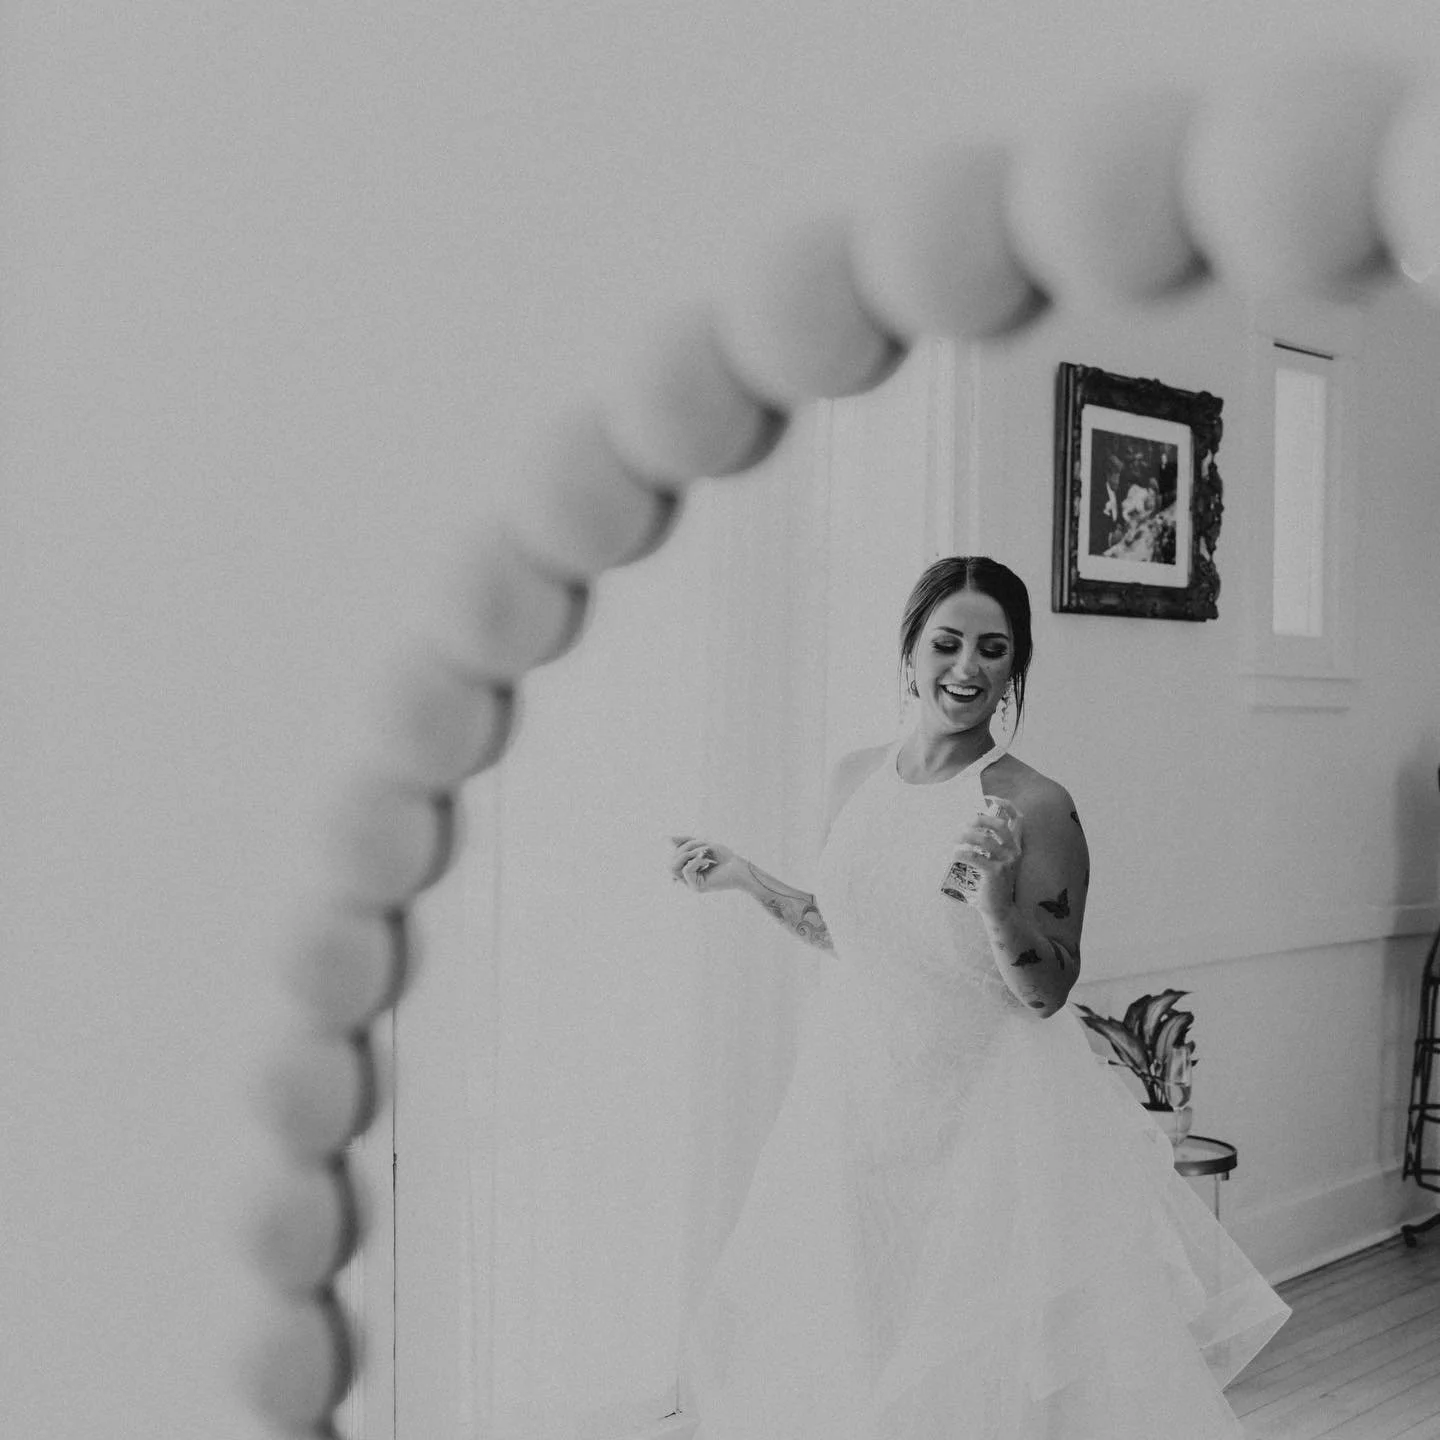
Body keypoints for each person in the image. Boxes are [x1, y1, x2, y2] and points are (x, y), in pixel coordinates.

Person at [668, 556, 1291, 1439]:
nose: (965, 668)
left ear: (1015, 668)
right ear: (911, 652)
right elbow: (851, 932)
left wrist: (997, 903)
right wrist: (744, 877)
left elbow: (1047, 990)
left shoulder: (1037, 804)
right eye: (947, 643)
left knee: (979, 1359)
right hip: (857, 1104)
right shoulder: (855, 777)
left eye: (991, 650)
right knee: (860, 1330)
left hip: (989, 1119)